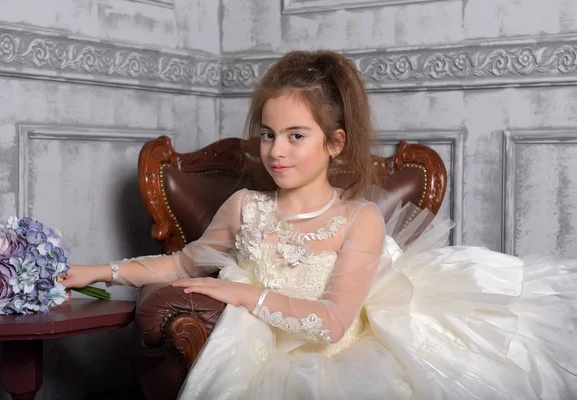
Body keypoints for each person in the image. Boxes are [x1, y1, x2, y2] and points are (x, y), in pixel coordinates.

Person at [64, 50, 577, 399]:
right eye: (267, 135)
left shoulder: (360, 219)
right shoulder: (246, 205)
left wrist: (242, 295)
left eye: (295, 136)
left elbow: (332, 322)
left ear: (334, 143)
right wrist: (96, 271)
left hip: (342, 352)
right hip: (264, 352)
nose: (276, 151)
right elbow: (182, 260)